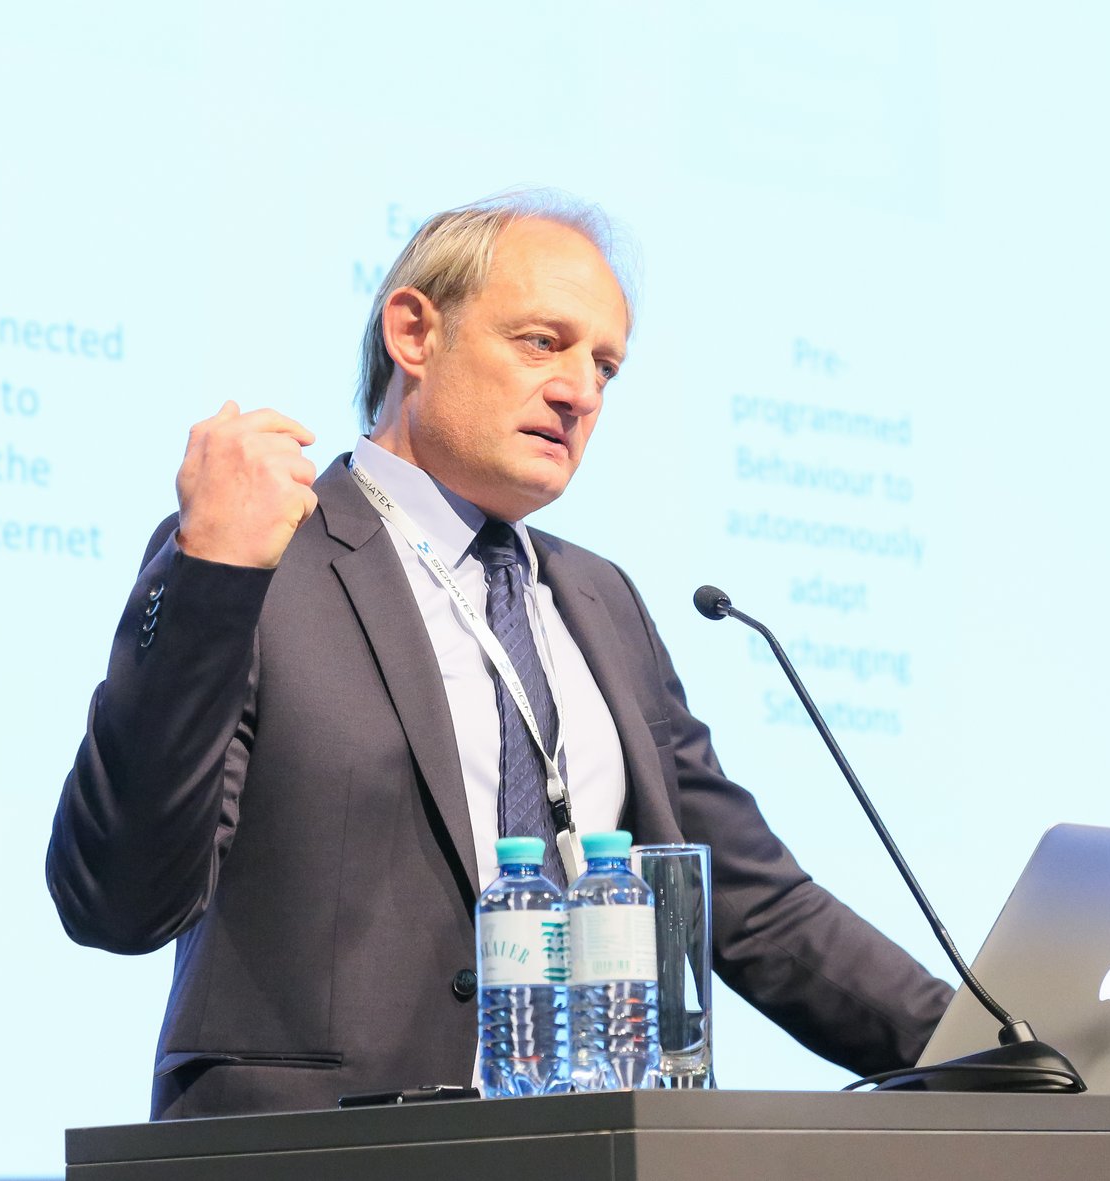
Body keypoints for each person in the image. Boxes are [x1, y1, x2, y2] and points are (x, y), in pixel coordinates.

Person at [46, 191, 952, 1120]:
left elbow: (759, 907)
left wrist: (988, 1048)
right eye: (541, 343)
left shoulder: (601, 601)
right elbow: (115, 897)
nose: (580, 391)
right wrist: (209, 576)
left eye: (604, 365)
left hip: (594, 1146)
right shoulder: (264, 560)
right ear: (414, 332)